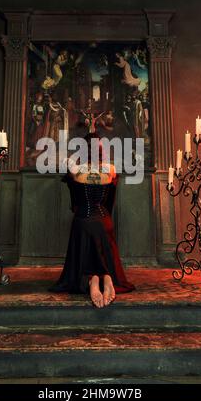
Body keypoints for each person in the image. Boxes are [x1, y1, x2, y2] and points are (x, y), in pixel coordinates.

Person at [49, 132, 135, 308]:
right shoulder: (111, 169)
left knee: (85, 233)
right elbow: (110, 199)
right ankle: (107, 277)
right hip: (104, 220)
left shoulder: (75, 169)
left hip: (83, 219)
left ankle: (92, 280)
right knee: (99, 237)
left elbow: (74, 199)